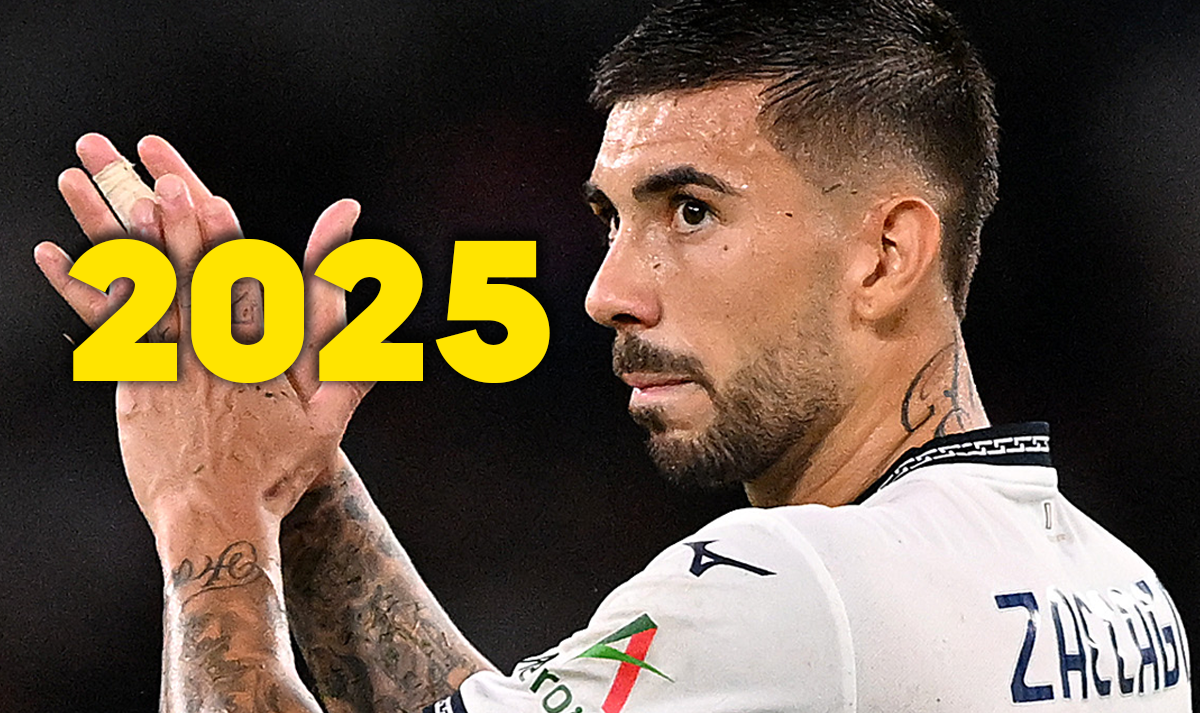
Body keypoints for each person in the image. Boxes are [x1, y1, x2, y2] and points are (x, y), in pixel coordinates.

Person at [34, 0, 1191, 711]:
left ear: (886, 253)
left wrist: (208, 504)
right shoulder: (1119, 593)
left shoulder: (799, 585)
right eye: (610, 218)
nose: (606, 292)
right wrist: (302, 479)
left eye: (690, 211)